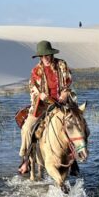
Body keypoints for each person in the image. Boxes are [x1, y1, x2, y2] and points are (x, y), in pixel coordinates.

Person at [19, 40, 74, 175]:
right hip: (42, 105)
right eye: (42, 56)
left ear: (51, 54)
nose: (45, 58)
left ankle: (75, 159)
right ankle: (26, 159)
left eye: (47, 55)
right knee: (27, 129)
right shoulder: (36, 70)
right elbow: (32, 88)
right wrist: (40, 95)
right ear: (40, 57)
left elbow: (68, 83)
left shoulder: (62, 65)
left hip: (62, 103)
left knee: (76, 125)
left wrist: (65, 93)